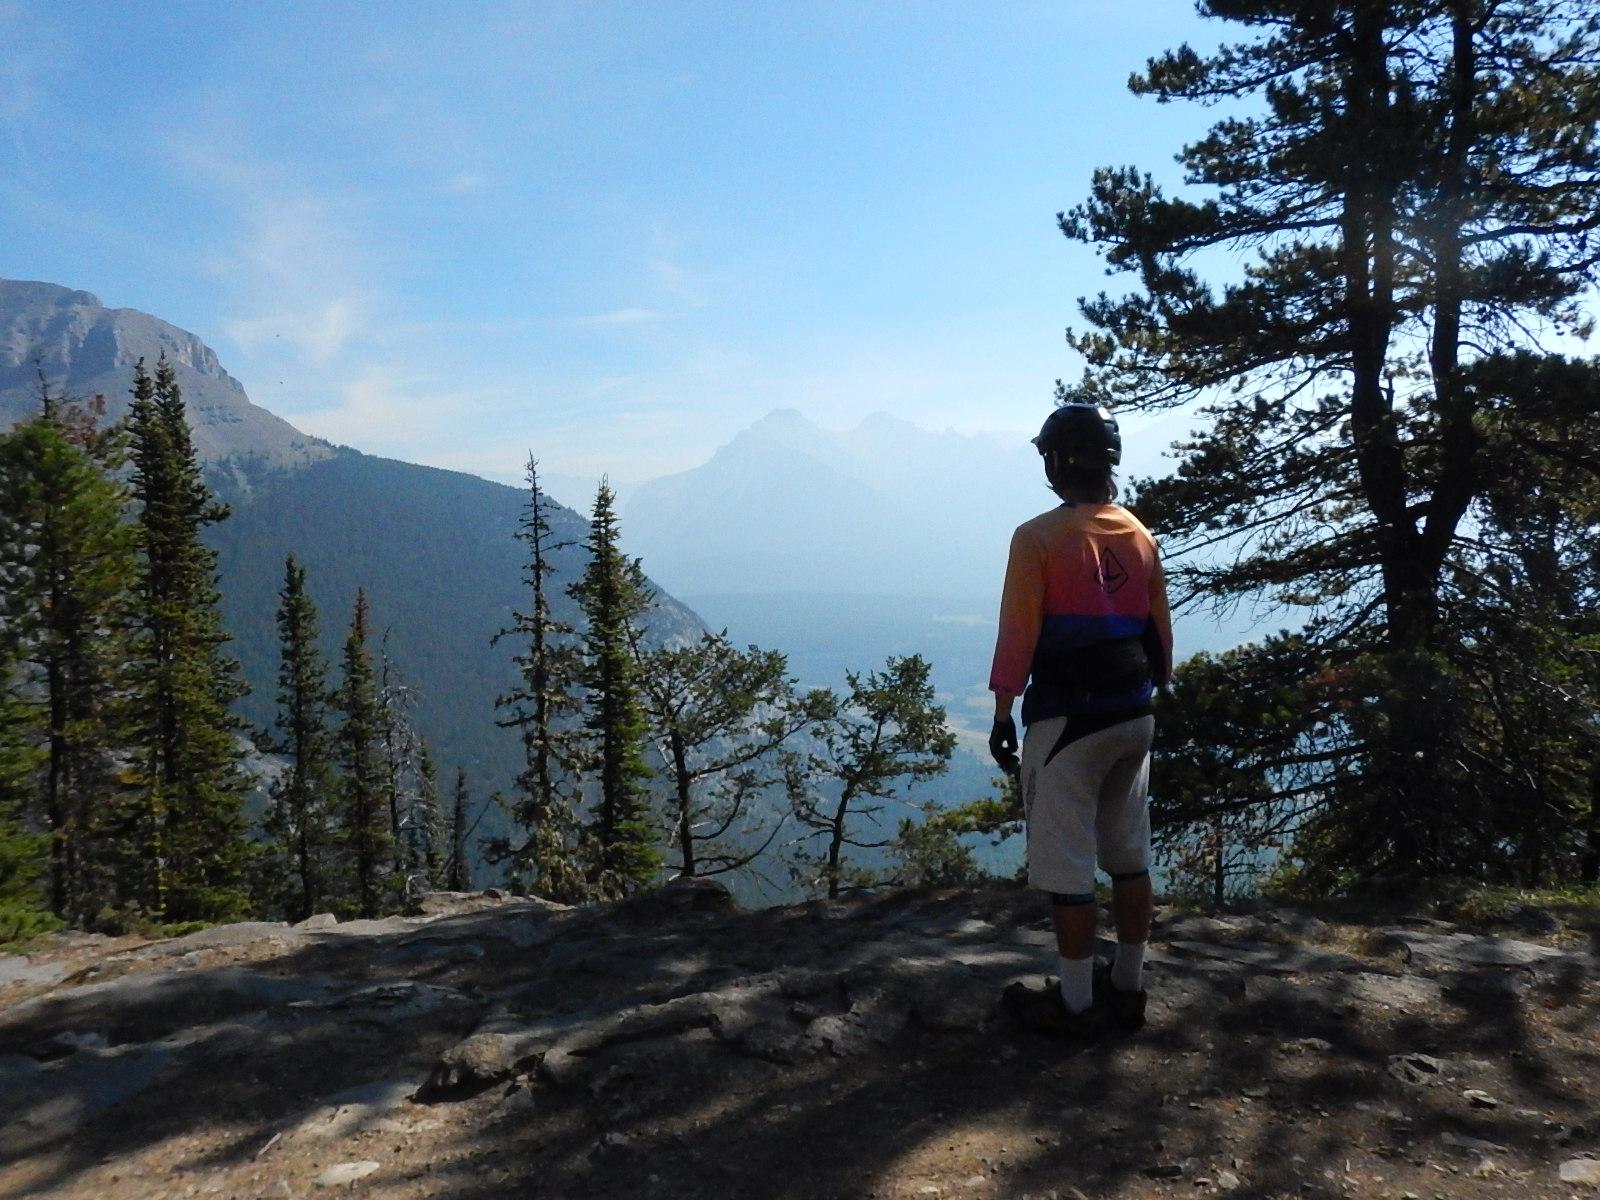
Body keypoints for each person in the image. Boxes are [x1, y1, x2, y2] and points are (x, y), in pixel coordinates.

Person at [989, 400, 1172, 1037]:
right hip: (1134, 710)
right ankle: (1128, 986)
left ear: (1057, 461)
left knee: (1067, 866)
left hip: (1069, 718)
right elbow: (1158, 631)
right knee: (1128, 856)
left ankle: (1073, 1005)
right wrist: (1153, 692)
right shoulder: (1139, 532)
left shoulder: (1038, 536)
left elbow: (1019, 632)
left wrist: (1003, 707)